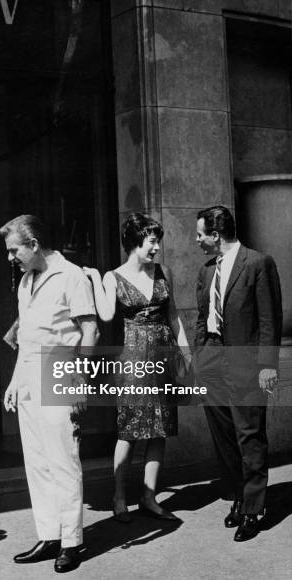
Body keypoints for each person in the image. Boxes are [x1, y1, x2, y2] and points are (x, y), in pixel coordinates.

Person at [0, 214, 98, 574]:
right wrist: (14, 381)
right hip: (28, 375)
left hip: (59, 368)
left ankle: (72, 541)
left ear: (34, 244)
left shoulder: (71, 275)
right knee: (37, 461)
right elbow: (26, 337)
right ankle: (49, 534)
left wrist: (81, 378)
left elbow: (90, 330)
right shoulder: (25, 281)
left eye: (14, 251)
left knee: (62, 460)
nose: (10, 258)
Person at [84, 213, 190, 523]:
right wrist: (93, 277)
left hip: (163, 356)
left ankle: (149, 497)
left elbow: (173, 317)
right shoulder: (112, 277)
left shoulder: (163, 271)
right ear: (135, 242)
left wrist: (187, 354)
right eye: (152, 242)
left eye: (158, 241)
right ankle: (119, 496)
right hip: (132, 359)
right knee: (129, 430)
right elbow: (105, 315)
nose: (157, 247)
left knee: (160, 429)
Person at [195, 205, 282, 542]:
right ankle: (238, 497)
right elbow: (203, 318)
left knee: (249, 433)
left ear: (216, 235)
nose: (197, 239)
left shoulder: (258, 263)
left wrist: (267, 366)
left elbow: (269, 319)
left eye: (201, 233)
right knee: (223, 433)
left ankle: (255, 507)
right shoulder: (205, 272)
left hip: (246, 362)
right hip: (212, 360)